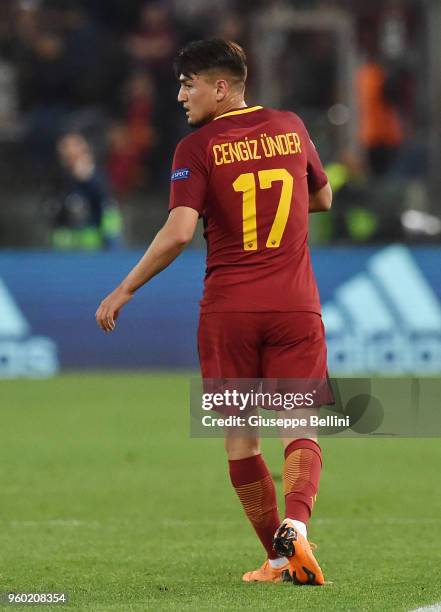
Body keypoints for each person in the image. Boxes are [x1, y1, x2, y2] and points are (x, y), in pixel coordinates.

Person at [96, 38, 332, 585]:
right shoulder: (291, 126)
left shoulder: (196, 148)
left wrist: (125, 288)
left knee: (241, 436)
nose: (181, 95)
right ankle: (295, 527)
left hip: (229, 312)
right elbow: (320, 199)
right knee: (301, 425)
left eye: (189, 84)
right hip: (295, 305)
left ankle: (276, 557)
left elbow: (180, 232)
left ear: (220, 88)